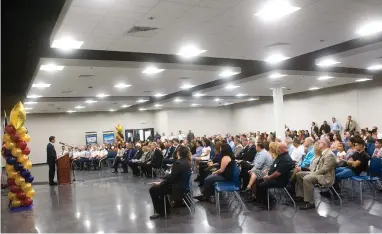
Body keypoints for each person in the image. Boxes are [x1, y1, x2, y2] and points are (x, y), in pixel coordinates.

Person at [149, 145, 191, 219]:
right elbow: (174, 176)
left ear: (178, 153)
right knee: (160, 188)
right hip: (183, 186)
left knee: (153, 189)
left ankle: (160, 211)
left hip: (176, 188)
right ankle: (166, 208)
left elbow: (171, 179)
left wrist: (160, 183)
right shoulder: (187, 161)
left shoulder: (178, 163)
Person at [295, 138, 337, 210]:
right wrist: (311, 172)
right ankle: (302, 196)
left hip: (325, 176)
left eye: (320, 143)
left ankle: (310, 202)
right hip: (318, 173)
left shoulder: (329, 154)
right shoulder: (324, 152)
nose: (318, 144)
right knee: (299, 174)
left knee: (307, 178)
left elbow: (324, 169)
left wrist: (312, 174)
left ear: (324, 144)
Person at [254, 143, 294, 209]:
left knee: (262, 185)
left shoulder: (286, 159)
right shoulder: (280, 156)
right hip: (274, 178)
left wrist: (269, 177)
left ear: (283, 149)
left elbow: (278, 173)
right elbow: (274, 167)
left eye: (279, 148)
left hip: (280, 181)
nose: (277, 149)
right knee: (258, 180)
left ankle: (271, 200)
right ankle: (261, 200)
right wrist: (268, 172)